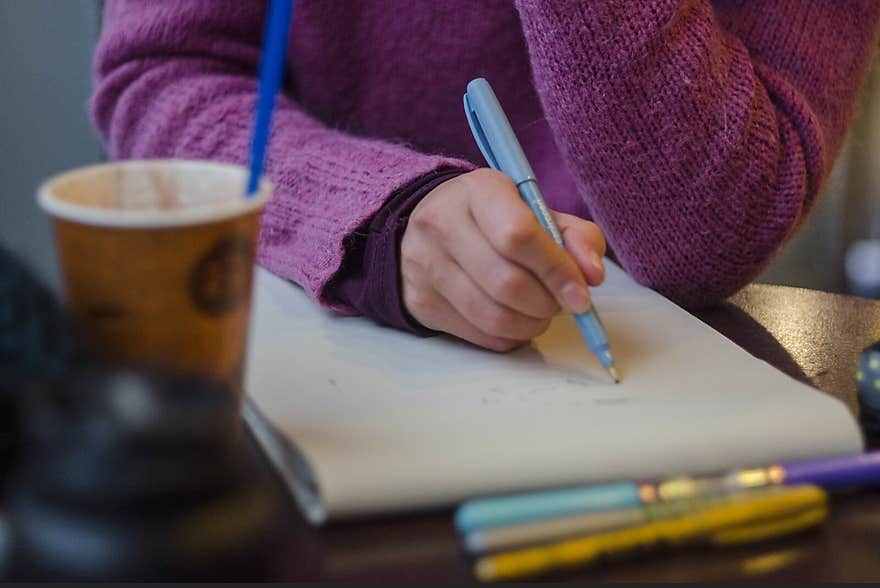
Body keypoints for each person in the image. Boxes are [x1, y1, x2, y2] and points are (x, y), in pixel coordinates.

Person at [92, 1, 880, 352]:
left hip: (654, 395)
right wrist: (379, 213)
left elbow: (708, 226)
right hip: (315, 369)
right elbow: (162, 73)